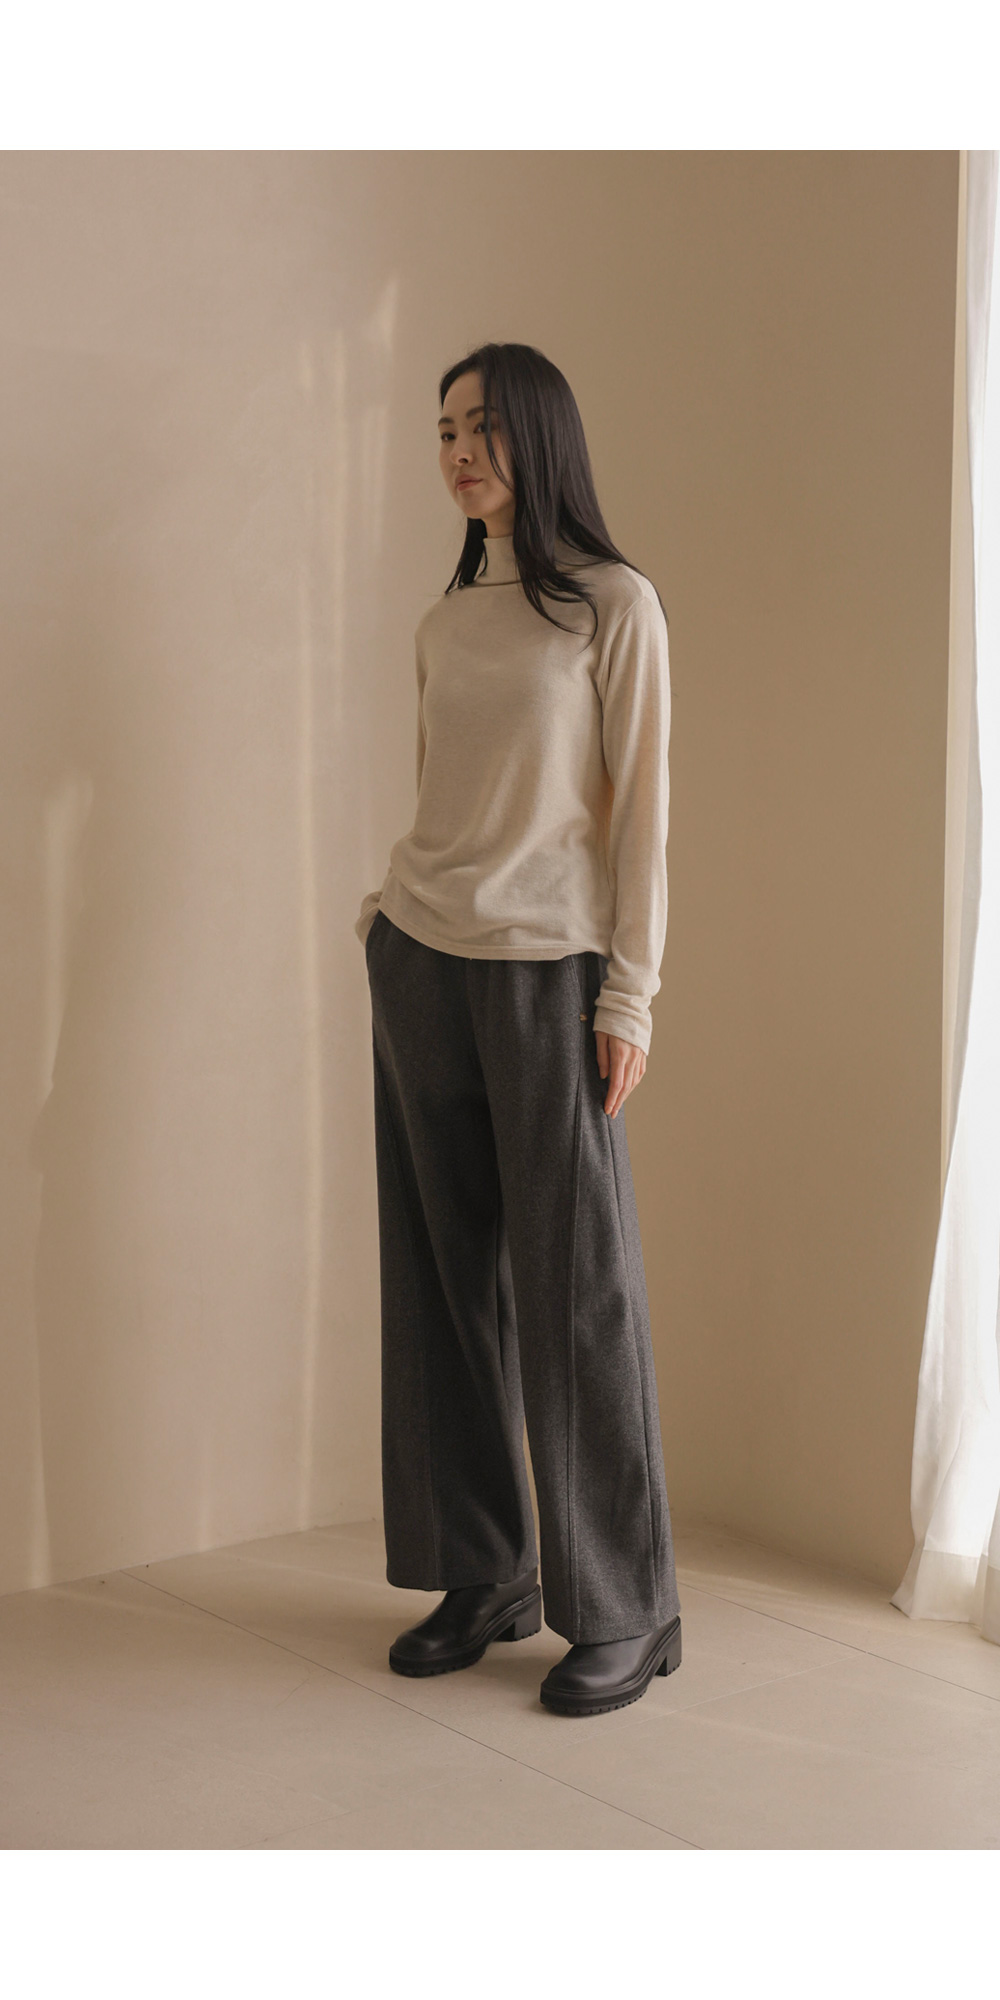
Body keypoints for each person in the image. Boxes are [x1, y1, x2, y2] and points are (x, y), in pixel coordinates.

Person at [355, 340, 682, 1718]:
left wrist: (630, 993)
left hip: (551, 971)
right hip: (423, 957)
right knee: (442, 1282)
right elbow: (444, 790)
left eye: (481, 427)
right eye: (444, 431)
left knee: (574, 1290)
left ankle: (626, 1608)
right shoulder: (447, 621)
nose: (458, 451)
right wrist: (384, 921)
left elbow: (643, 812)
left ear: (538, 435)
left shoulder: (614, 605)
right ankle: (483, 1572)